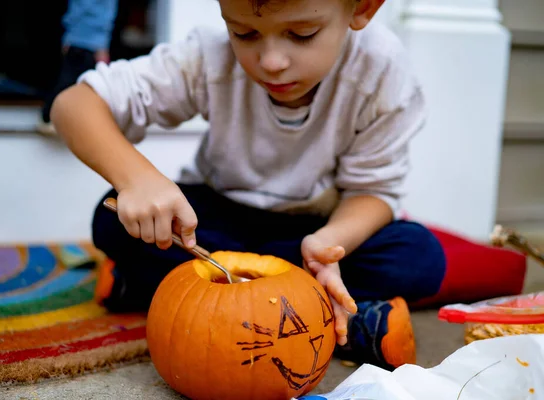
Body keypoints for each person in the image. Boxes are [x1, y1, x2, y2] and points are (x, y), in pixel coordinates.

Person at [50, 0, 446, 371]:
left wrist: (330, 242)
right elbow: (73, 105)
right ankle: (336, 321)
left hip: (312, 232)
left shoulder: (382, 69)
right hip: (216, 221)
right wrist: (138, 179)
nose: (271, 62)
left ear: (361, 8)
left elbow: (372, 191)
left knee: (419, 257)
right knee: (114, 215)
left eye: (302, 34)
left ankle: (149, 288)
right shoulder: (208, 57)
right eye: (244, 33)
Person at [37, 0, 118, 135]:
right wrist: (101, 44)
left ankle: (52, 117)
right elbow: (102, 16)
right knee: (87, 85)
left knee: (73, 81)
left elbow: (76, 11)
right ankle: (49, 117)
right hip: (91, 43)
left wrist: (70, 37)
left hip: (78, 40)